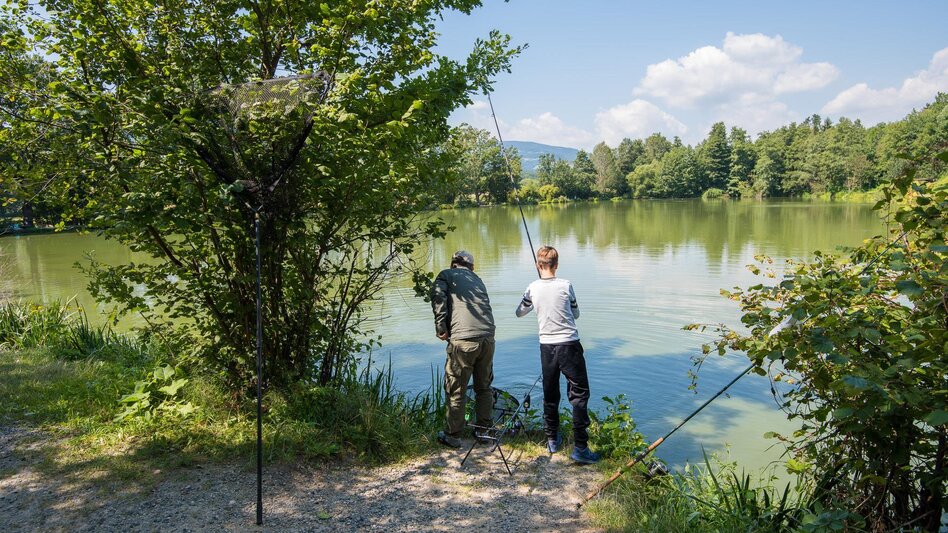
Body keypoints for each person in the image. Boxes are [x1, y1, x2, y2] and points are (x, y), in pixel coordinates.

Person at [516, 245, 600, 464]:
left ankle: (552, 439)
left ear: (538, 265)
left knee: (550, 393)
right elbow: (576, 313)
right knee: (579, 395)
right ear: (557, 264)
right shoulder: (566, 285)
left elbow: (519, 313)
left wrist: (535, 296)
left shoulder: (532, 288)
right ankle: (580, 447)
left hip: (547, 347)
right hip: (570, 345)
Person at [430, 250, 496, 448]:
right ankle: (484, 432)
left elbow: (438, 297)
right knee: (484, 387)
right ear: (472, 267)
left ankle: (453, 435)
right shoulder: (478, 279)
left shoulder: (446, 275)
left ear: (453, 264)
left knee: (456, 388)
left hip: (464, 340)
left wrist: (441, 327)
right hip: (488, 338)